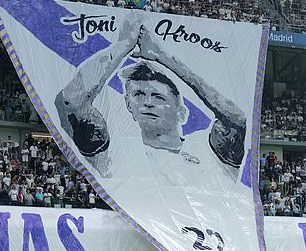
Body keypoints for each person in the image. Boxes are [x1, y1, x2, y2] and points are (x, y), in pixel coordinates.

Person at [55, 25, 247, 185]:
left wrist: (163, 58)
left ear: (181, 112)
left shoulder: (207, 150)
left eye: (158, 96)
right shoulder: (116, 152)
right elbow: (72, 101)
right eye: (138, 94)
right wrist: (123, 45)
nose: (147, 102)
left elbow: (236, 119)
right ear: (129, 106)